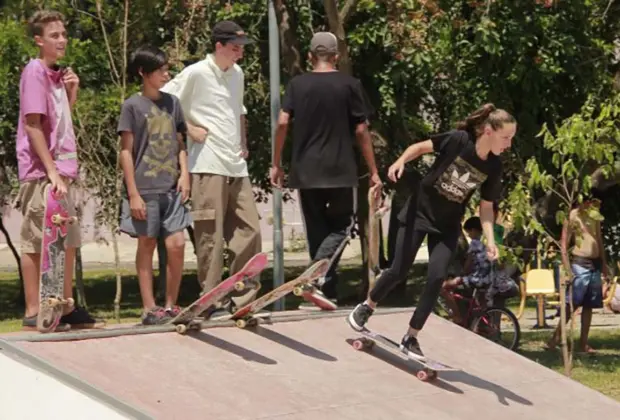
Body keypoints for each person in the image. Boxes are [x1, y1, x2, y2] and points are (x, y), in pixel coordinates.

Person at [347, 103, 516, 359]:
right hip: (419, 212)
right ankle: (367, 307)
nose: (508, 144)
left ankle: (411, 337)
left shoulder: (493, 167)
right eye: (506, 138)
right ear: (489, 131)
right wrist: (401, 160)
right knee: (399, 270)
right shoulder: (459, 140)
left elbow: (487, 207)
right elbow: (420, 147)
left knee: (437, 278)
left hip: (447, 225)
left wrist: (490, 240)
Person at [271, 32, 382, 309]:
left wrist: (276, 162)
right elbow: (360, 129)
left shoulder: (297, 84)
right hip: (339, 169)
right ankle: (314, 280)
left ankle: (324, 293)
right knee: (343, 227)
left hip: (305, 171)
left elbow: (283, 122)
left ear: (310, 56)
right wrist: (374, 170)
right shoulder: (349, 84)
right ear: (336, 57)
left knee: (318, 231)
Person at [161, 21, 261, 317]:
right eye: (234, 48)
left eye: (241, 49)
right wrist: (188, 128)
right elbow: (163, 101)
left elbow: (238, 110)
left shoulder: (238, 74)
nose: (239, 54)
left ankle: (243, 299)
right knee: (211, 234)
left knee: (250, 229)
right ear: (218, 46)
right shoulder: (196, 73)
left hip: (235, 165)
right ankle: (211, 299)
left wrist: (242, 141)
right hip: (206, 164)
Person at [15, 10, 97, 330]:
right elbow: (32, 124)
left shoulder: (56, 76)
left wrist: (70, 95)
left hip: (61, 170)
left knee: (67, 240)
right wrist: (50, 172)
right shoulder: (34, 71)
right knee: (37, 241)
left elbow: (57, 125)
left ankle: (63, 307)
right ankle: (34, 309)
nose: (62, 39)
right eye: (54, 35)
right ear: (39, 40)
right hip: (42, 172)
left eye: (63, 34)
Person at [117, 46, 191, 325]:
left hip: (172, 189)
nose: (166, 74)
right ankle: (150, 308)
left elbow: (181, 142)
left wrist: (185, 174)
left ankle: (171, 305)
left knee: (177, 244)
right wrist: (133, 193)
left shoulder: (173, 103)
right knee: (146, 244)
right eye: (160, 70)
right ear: (143, 72)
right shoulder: (132, 106)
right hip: (144, 190)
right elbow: (126, 152)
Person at [546, 196, 608, 353]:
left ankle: (583, 343)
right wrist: (567, 268)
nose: (590, 204)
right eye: (587, 201)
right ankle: (556, 338)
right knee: (572, 304)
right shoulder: (573, 215)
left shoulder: (595, 216)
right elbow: (564, 243)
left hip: (594, 263)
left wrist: (604, 263)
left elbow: (598, 240)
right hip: (579, 263)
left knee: (589, 305)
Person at [441, 216, 492, 325]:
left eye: (468, 232)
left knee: (443, 287)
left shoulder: (474, 244)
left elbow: (469, 263)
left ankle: (457, 316)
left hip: (475, 278)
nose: (468, 235)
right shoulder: (483, 244)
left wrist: (461, 274)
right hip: (485, 278)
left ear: (473, 230)